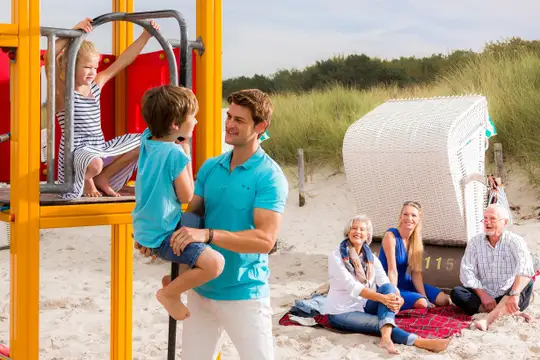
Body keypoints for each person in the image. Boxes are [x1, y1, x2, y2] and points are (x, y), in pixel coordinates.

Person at [135, 89, 289, 360]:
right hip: (200, 291)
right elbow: (192, 217)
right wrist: (156, 238)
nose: (229, 124)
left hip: (244, 293)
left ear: (260, 126)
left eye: (239, 120)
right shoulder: (210, 167)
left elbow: (265, 240)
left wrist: (208, 235)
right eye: (229, 116)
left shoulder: (269, 176)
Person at [131, 85, 224, 320]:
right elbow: (186, 196)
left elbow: (160, 123)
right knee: (215, 264)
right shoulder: (175, 154)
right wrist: (186, 152)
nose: (195, 122)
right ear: (175, 124)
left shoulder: (147, 140)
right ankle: (169, 293)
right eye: (192, 118)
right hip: (163, 234)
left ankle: (174, 280)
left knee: (195, 220)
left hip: (145, 227)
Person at [45, 17, 158, 199]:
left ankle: (103, 178)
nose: (92, 72)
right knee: (95, 162)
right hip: (75, 157)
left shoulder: (96, 85)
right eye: (87, 67)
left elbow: (123, 62)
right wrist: (74, 32)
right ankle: (86, 180)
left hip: (99, 149)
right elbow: (48, 58)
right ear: (70, 66)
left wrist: (145, 36)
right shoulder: (63, 93)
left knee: (146, 140)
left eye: (95, 67)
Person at [323, 214, 451, 355]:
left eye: (362, 229)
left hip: (364, 305)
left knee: (389, 289)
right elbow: (354, 287)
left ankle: (386, 336)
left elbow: (385, 282)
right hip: (342, 312)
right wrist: (382, 298)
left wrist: (397, 297)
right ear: (348, 232)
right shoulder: (336, 256)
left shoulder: (370, 258)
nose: (358, 232)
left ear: (368, 235)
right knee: (379, 322)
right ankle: (419, 341)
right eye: (354, 228)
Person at [450, 204, 535, 331]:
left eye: (492, 219)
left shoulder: (515, 241)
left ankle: (489, 318)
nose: (487, 222)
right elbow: (466, 271)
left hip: (509, 294)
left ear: (505, 222)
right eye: (485, 219)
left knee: (528, 283)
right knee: (457, 293)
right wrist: (483, 295)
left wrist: (514, 293)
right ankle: (503, 311)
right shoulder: (475, 242)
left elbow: (525, 268)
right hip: (484, 296)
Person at [378, 201, 451, 309]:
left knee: (443, 300)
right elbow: (392, 271)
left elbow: (416, 273)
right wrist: (393, 294)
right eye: (405, 214)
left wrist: (425, 296)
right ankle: (409, 300)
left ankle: (417, 298)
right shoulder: (391, 236)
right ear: (400, 217)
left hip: (406, 282)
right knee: (422, 303)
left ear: (418, 219)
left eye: (413, 215)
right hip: (389, 283)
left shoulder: (416, 240)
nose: (409, 218)